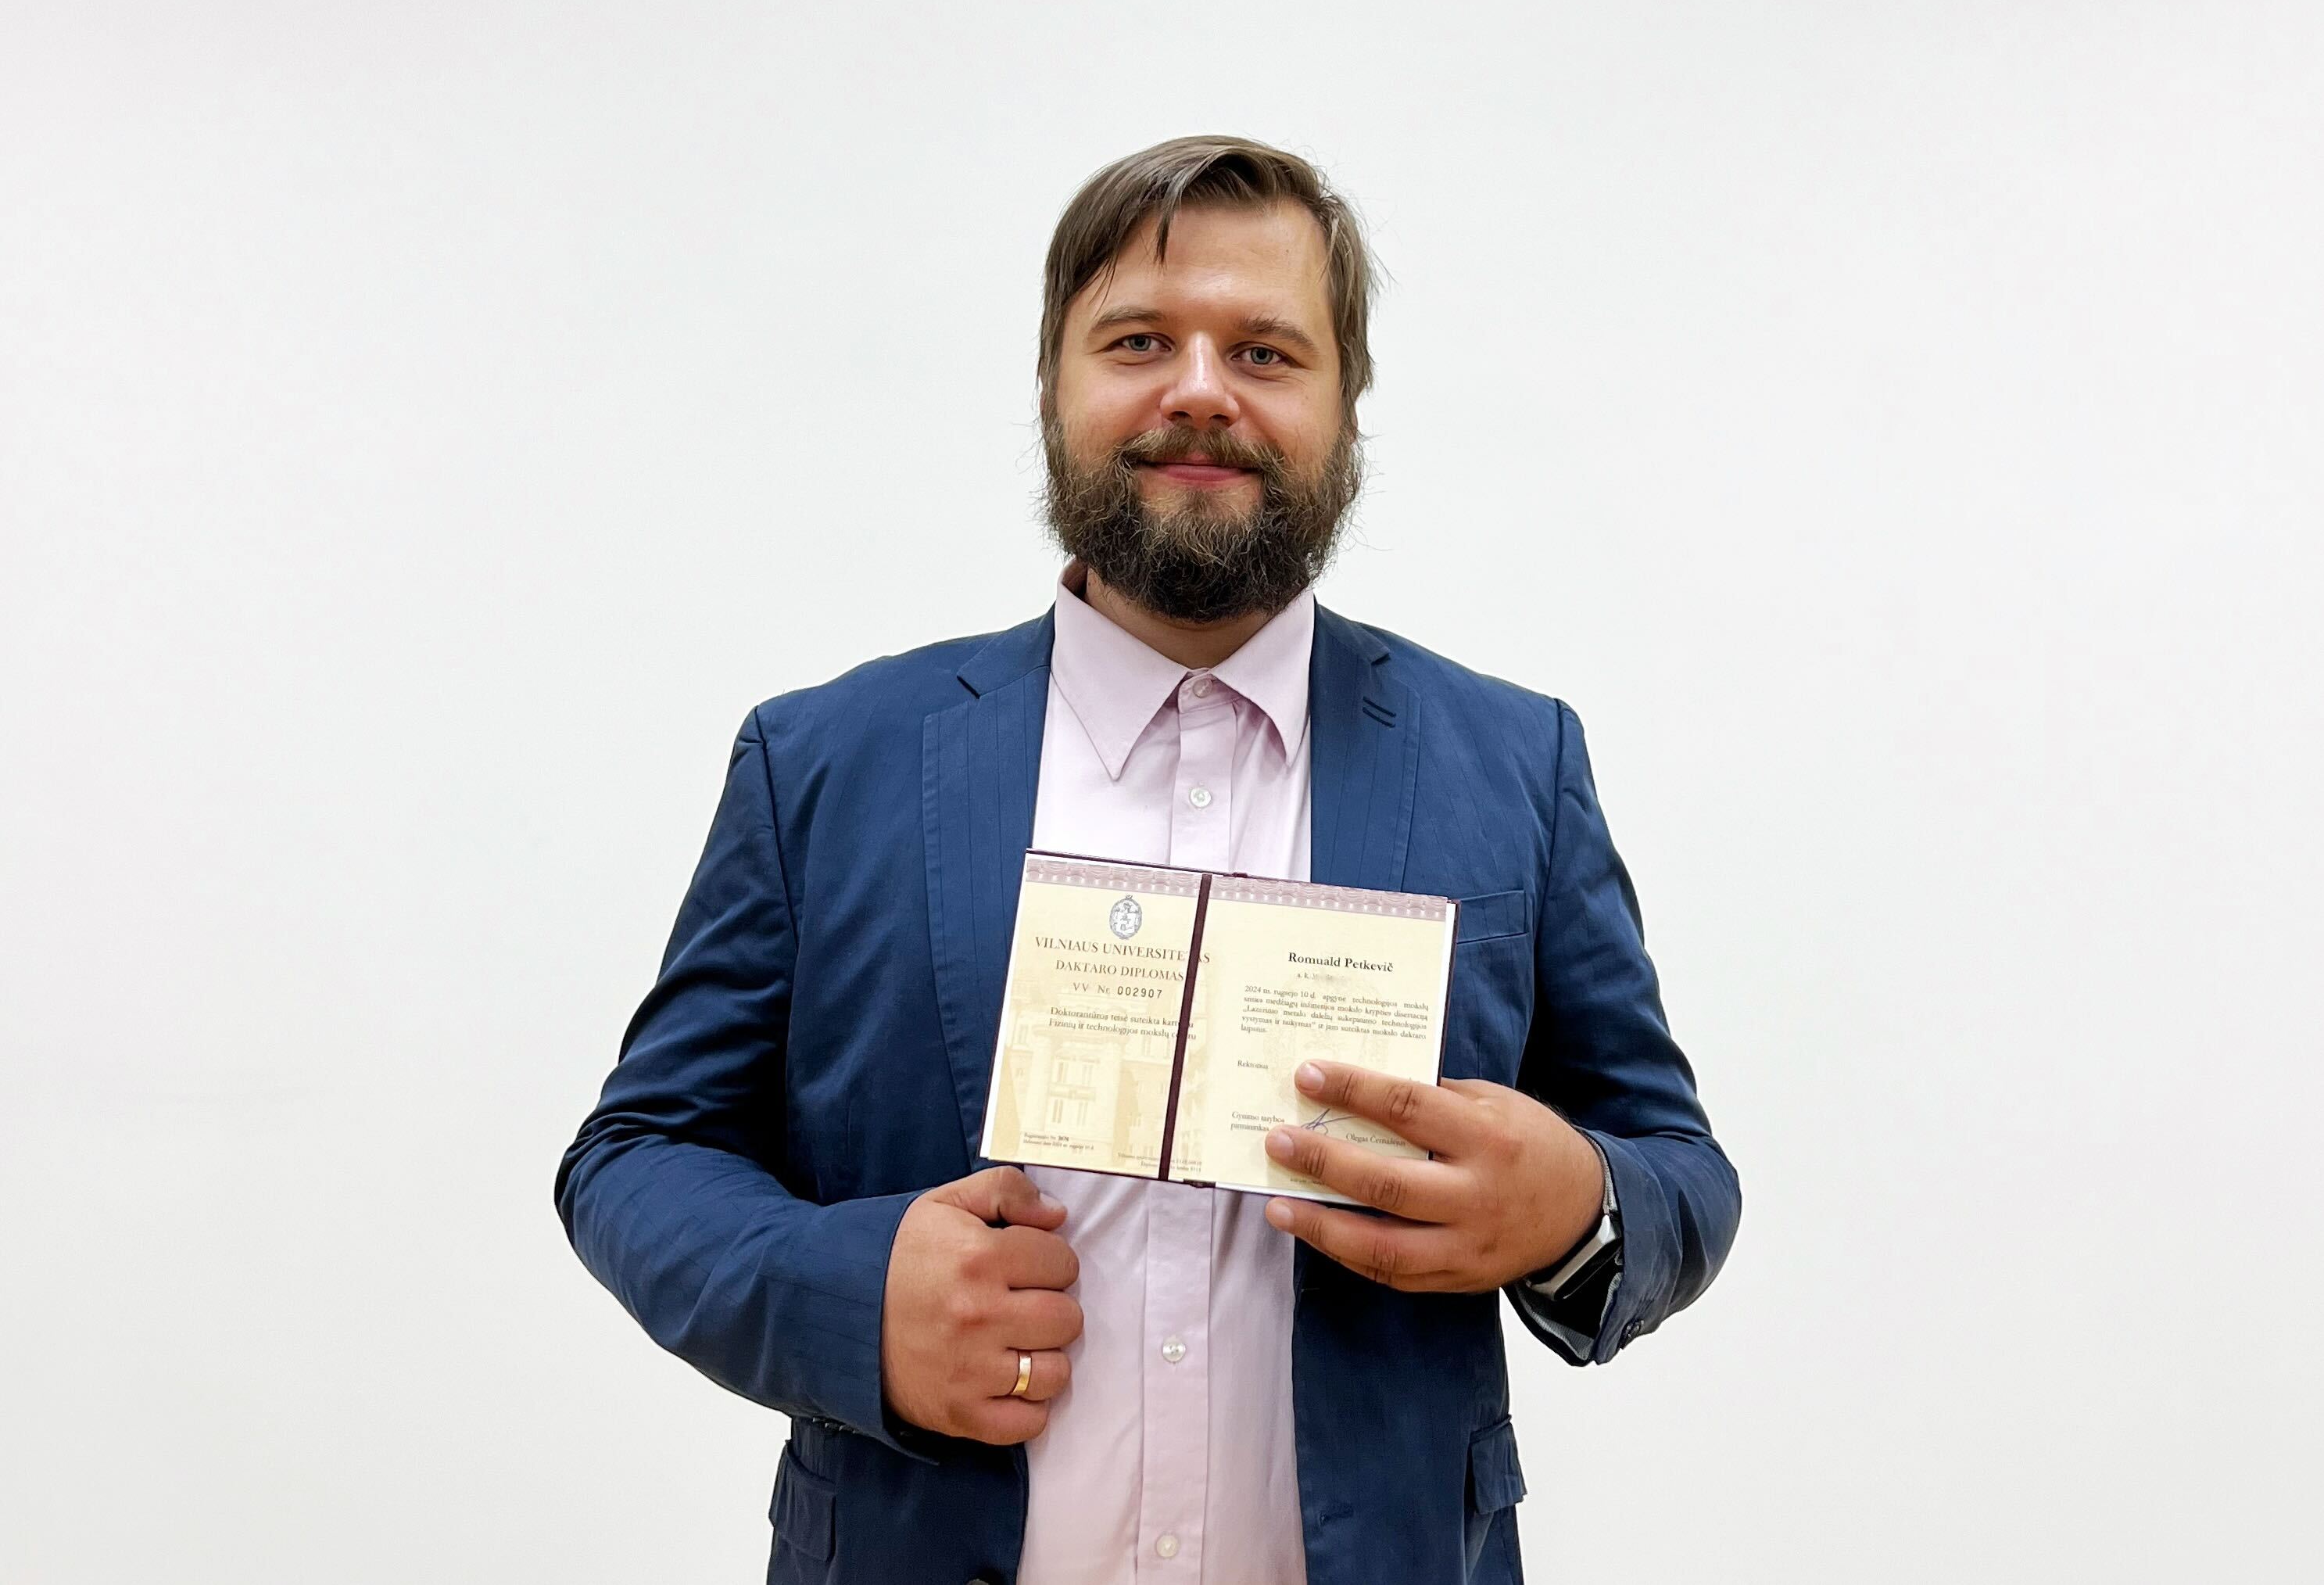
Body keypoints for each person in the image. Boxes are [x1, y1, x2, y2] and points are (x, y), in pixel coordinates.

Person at [555, 134, 1740, 1585]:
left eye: (1264, 351)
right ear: (1050, 385)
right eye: (1136, 341)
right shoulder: (822, 760)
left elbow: (1680, 1172)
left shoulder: (1514, 761)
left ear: (1344, 407)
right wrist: (845, 1296)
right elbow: (636, 1154)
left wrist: (1570, 1208)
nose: (1198, 389)